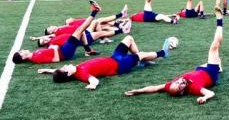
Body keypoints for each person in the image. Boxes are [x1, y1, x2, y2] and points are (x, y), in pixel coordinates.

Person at [124, 7, 225, 104]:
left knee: (216, 59)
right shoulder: (195, 88)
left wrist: (138, 91)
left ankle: (219, 66)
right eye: (180, 86)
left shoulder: (172, 85)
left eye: (176, 82)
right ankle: (220, 20)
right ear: (182, 92)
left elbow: (155, 88)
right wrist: (205, 97)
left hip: (200, 70)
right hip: (211, 73)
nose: (179, 81)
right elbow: (210, 93)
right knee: (214, 48)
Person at [37, 35, 172, 90]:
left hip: (114, 57)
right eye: (65, 67)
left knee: (129, 38)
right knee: (140, 55)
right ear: (67, 74)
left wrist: (48, 71)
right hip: (120, 66)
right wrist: (92, 85)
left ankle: (140, 61)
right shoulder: (81, 74)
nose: (65, 65)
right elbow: (94, 81)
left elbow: (59, 72)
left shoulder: (74, 70)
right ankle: (162, 53)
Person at [13, 2, 102, 64]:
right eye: (21, 52)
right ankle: (94, 11)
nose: (22, 50)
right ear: (23, 57)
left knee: (80, 30)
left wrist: (52, 47)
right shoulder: (36, 57)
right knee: (80, 29)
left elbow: (50, 52)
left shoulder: (35, 54)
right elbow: (55, 59)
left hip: (63, 50)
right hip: (64, 53)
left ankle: (88, 50)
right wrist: (55, 48)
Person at [34, 19, 132, 56]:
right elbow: (53, 49)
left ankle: (120, 28)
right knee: (101, 33)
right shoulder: (52, 43)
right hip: (81, 39)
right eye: (43, 41)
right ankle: (122, 29)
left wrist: (36, 38)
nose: (45, 39)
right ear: (45, 44)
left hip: (82, 34)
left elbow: (48, 35)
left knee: (98, 26)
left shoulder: (52, 37)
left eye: (43, 38)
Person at [43, 5, 128, 36]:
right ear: (51, 32)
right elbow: (48, 37)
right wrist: (40, 38)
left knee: (102, 23)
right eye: (49, 28)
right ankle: (120, 18)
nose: (51, 26)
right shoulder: (57, 33)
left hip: (84, 29)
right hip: (85, 31)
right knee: (99, 22)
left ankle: (119, 25)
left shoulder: (60, 28)